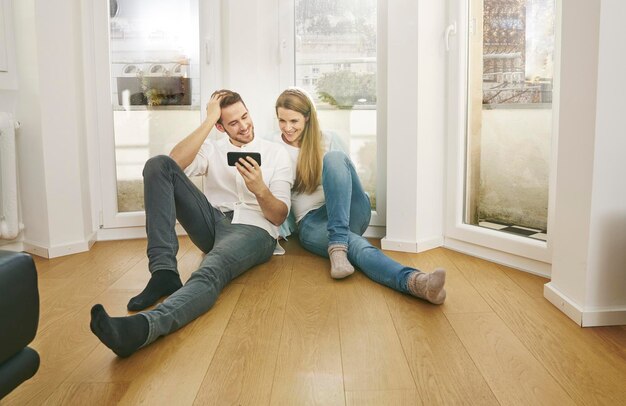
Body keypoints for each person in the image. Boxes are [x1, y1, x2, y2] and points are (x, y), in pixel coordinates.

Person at [90, 90, 293, 357]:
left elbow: (278, 216)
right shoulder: (212, 148)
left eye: (245, 116)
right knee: (158, 164)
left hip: (255, 229)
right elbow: (172, 164)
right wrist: (209, 120)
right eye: (233, 122)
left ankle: (143, 328)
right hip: (212, 220)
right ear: (220, 126)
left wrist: (260, 189)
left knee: (211, 268)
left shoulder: (277, 154)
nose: (244, 126)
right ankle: (164, 273)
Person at [274, 88, 446, 304]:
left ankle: (337, 244)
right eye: (282, 120)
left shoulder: (328, 139)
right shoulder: (274, 147)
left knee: (335, 158)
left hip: (347, 212)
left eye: (294, 121)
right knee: (357, 246)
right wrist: (277, 230)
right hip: (311, 222)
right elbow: (274, 193)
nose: (287, 128)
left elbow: (344, 177)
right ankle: (418, 282)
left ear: (307, 117)